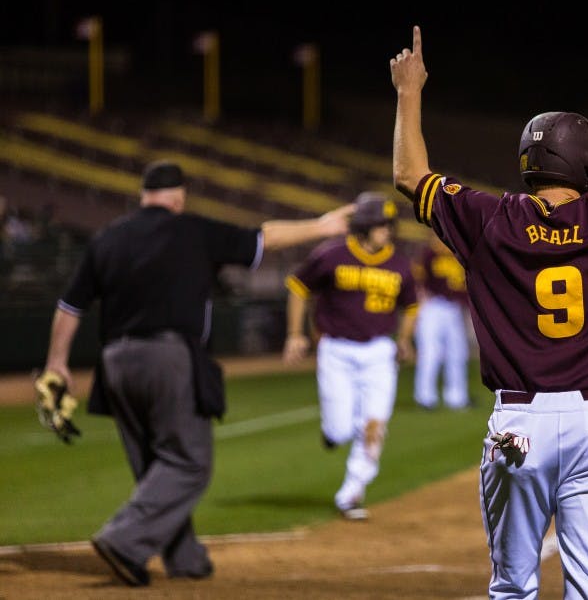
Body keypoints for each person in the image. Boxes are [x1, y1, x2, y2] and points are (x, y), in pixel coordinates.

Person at [390, 23, 588, 598]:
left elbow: (409, 176)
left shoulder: (490, 219)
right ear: (587, 166)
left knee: (512, 588)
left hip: (518, 426)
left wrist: (409, 91)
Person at [42, 161, 354, 587]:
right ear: (180, 197)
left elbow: (70, 306)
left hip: (114, 362)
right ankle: (123, 540)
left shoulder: (107, 238)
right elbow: (265, 237)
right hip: (168, 356)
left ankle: (184, 557)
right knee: (189, 463)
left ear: (143, 195)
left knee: (155, 465)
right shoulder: (191, 229)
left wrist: (56, 362)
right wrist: (321, 226)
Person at [283, 191, 418, 520]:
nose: (387, 229)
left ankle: (352, 491)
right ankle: (332, 435)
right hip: (337, 350)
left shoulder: (399, 263)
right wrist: (295, 334)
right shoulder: (332, 254)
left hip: (378, 352)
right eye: (380, 224)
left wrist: (403, 338)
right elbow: (298, 287)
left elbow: (412, 305)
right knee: (341, 429)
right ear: (364, 226)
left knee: (374, 423)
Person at [413, 233, 471, 410]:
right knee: (430, 352)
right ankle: (425, 397)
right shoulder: (430, 253)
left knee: (458, 352)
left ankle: (457, 397)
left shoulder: (461, 253)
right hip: (433, 305)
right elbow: (417, 279)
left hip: (454, 309)